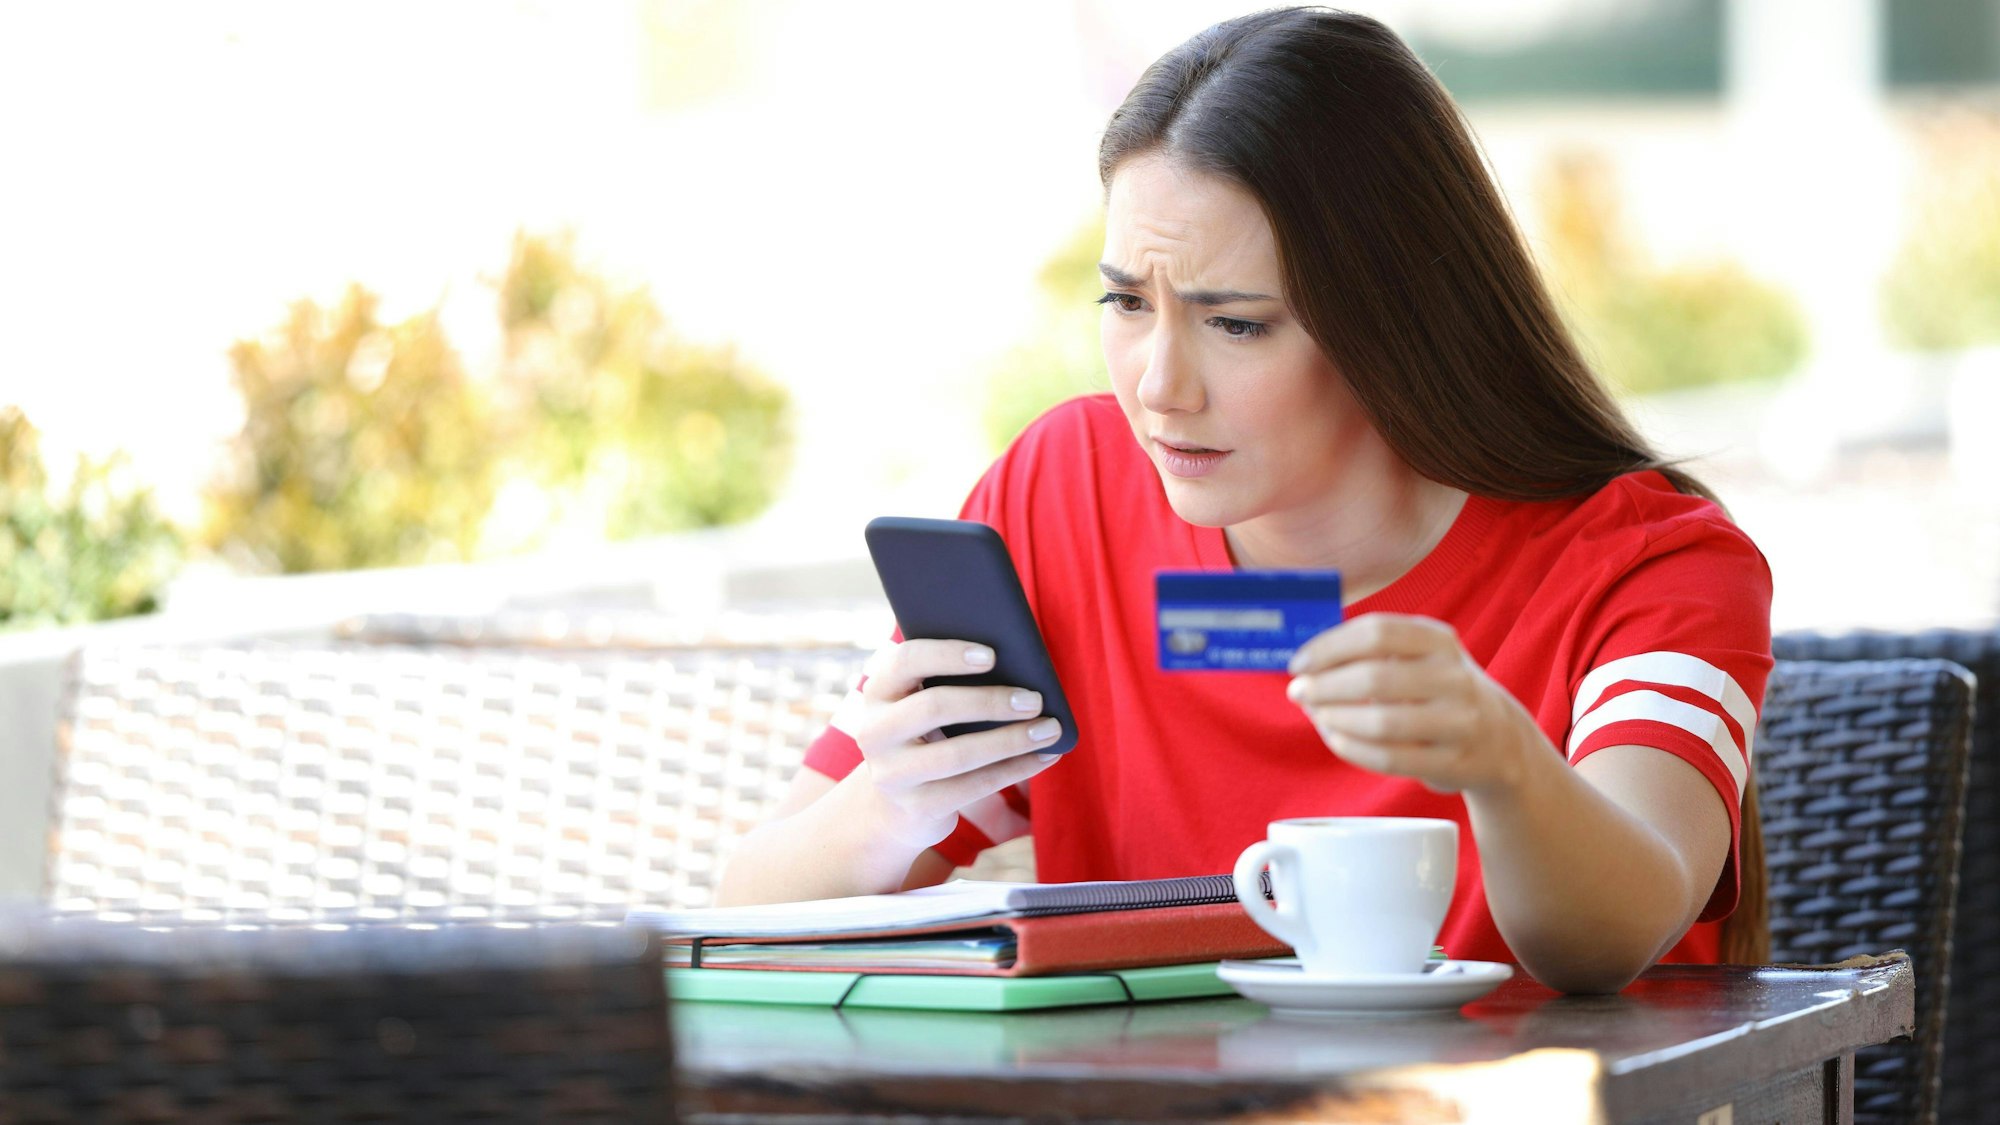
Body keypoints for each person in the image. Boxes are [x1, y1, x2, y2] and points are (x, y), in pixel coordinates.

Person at [714, 6, 1772, 995]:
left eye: (1236, 324)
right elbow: (746, 910)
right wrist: (890, 808)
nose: (1158, 387)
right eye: (1126, 302)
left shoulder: (1649, 565)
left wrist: (1503, 762)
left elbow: (1606, 940)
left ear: (1396, 321)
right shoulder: (1057, 494)